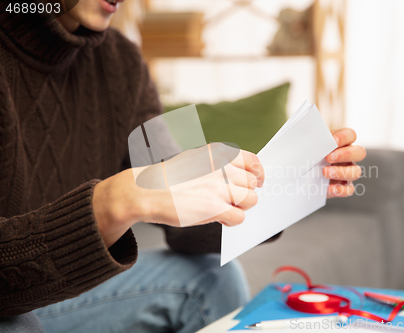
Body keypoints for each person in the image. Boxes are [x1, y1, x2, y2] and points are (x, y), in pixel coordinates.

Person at [0, 0, 367, 332]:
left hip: (69, 293)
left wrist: (290, 184)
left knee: (212, 279)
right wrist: (112, 201)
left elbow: (183, 223)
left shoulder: (121, 63)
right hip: (11, 301)